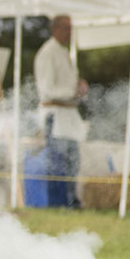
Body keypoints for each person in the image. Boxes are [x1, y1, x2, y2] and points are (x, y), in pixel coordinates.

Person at [34, 15, 87, 208]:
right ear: (55, 29)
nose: (70, 32)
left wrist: (78, 87)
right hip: (55, 114)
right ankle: (57, 203)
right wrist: (71, 91)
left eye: (71, 28)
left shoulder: (64, 52)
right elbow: (47, 89)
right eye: (66, 28)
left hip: (69, 114)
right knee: (57, 162)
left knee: (73, 161)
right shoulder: (47, 53)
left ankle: (72, 200)